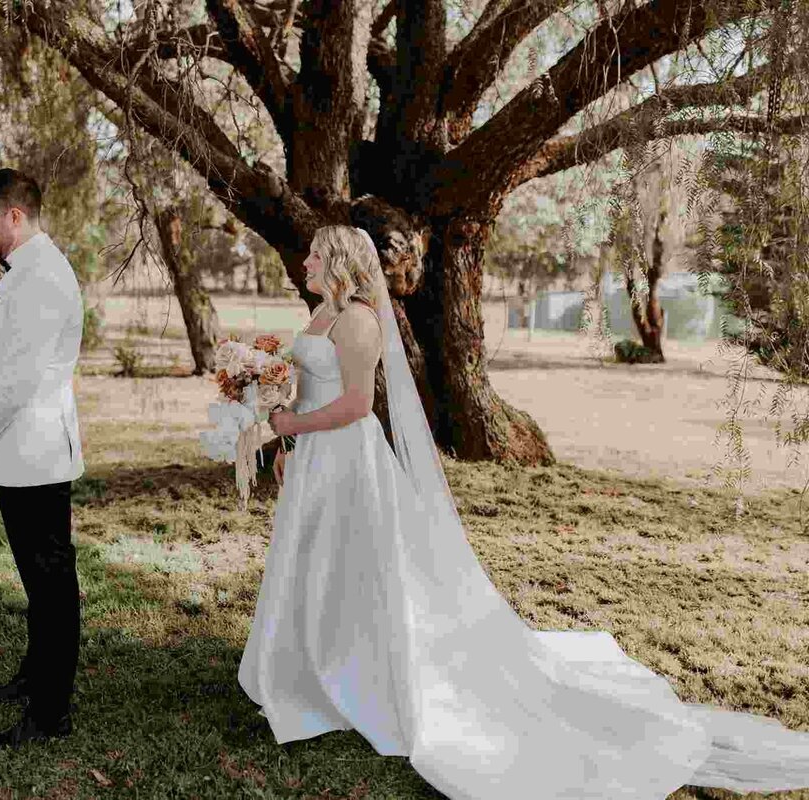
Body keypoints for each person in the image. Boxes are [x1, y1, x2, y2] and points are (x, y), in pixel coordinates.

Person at [242, 224, 809, 798]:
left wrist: (293, 424)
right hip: (314, 455)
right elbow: (312, 387)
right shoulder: (320, 314)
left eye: (314, 253)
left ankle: (349, 670)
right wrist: (282, 423)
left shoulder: (359, 320)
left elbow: (359, 405)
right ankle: (308, 660)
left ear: (338, 262)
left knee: (349, 560)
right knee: (314, 555)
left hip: (345, 459)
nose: (305, 260)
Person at [0, 168, 84, 750]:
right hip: (21, 448)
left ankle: (50, 714)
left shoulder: (44, 278)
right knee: (38, 580)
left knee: (51, 583)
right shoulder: (26, 272)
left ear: (14, 216)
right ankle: (35, 678)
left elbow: (18, 380)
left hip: (36, 451)